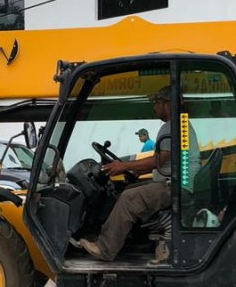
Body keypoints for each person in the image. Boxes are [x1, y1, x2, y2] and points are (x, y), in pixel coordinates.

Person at [79, 85, 198, 261]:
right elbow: (161, 161)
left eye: (157, 102)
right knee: (128, 189)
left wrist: (124, 166)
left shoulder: (171, 126)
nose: (155, 107)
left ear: (168, 104)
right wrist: (129, 168)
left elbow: (159, 161)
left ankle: (105, 249)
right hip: (177, 183)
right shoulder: (180, 124)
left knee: (128, 199)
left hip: (176, 186)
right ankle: (122, 238)